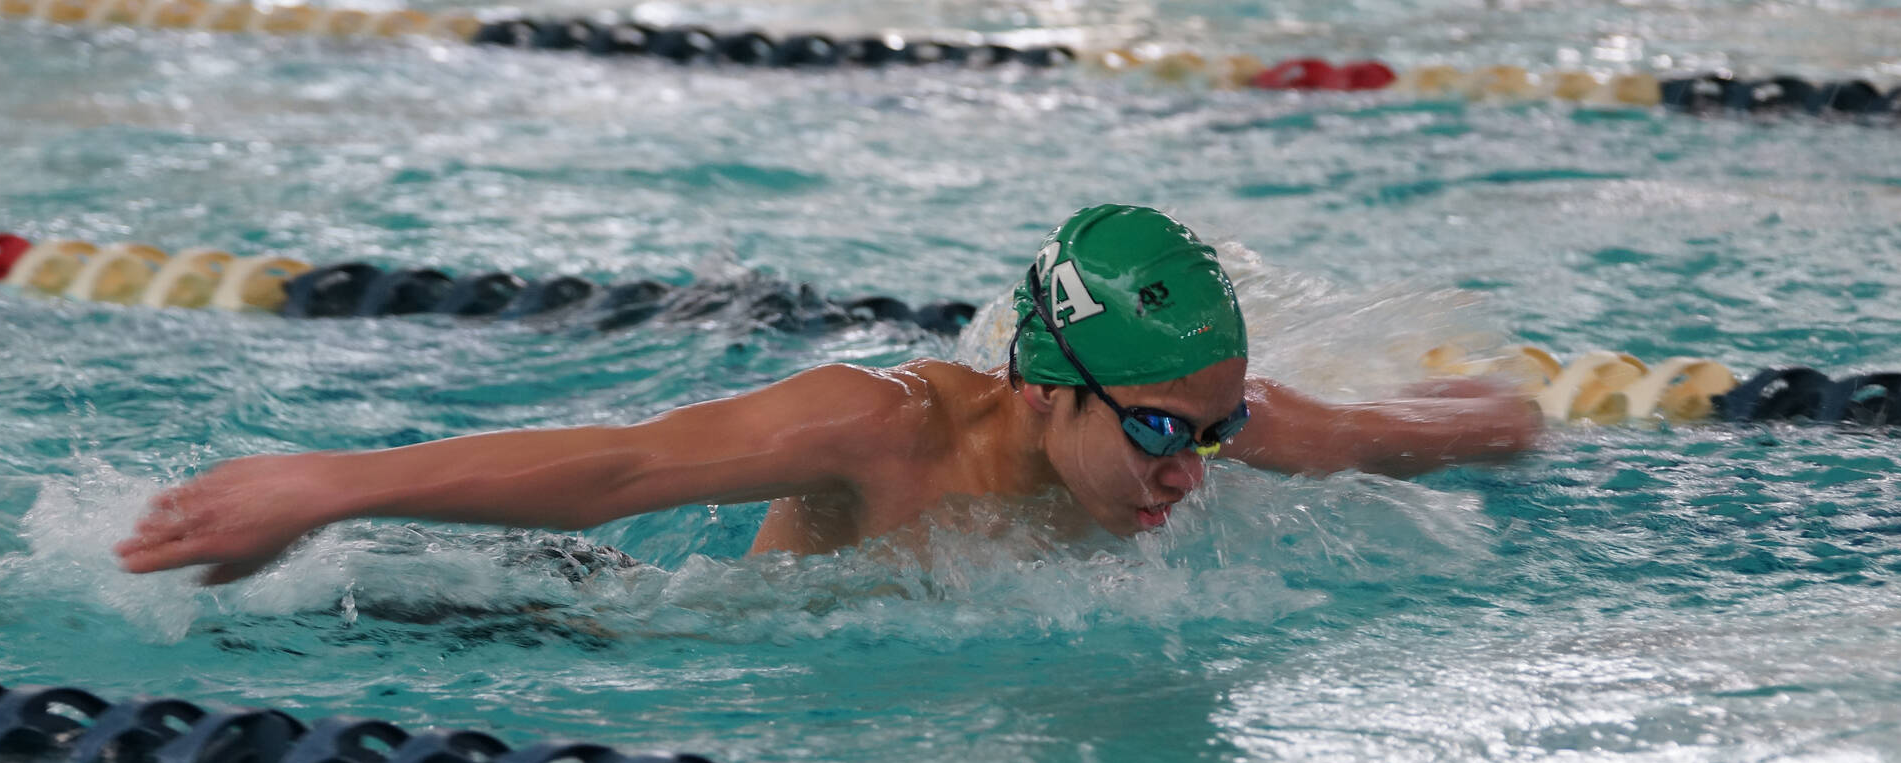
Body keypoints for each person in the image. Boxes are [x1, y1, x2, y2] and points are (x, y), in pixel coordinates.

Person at [115, 205, 1541, 585]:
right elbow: (621, 469)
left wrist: (1515, 415)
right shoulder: (879, 431)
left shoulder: (1217, 423)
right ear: (1047, 389)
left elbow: (1426, 431)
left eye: (1218, 430)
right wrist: (329, 484)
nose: (1197, 470)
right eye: (1165, 434)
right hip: (623, 619)